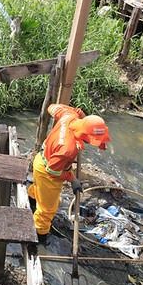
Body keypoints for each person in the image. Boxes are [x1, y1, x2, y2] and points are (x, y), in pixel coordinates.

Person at [28, 104, 110, 243]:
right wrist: (72, 179)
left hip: (42, 158)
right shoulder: (68, 149)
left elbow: (53, 107)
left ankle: (31, 202)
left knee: (40, 190)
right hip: (47, 172)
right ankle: (38, 235)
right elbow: (53, 171)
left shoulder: (69, 116)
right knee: (48, 209)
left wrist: (83, 118)